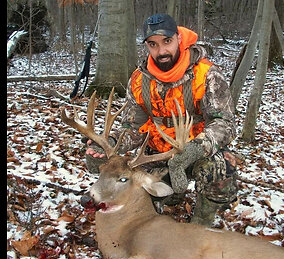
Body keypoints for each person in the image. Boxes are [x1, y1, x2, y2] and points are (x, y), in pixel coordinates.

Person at [85, 13, 237, 226]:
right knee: (135, 192)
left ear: (179, 39)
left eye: (167, 42)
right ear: (147, 46)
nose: (161, 51)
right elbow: (133, 127)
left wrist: (195, 148)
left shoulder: (206, 75)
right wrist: (111, 142)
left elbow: (225, 124)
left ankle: (203, 219)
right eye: (153, 44)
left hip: (195, 150)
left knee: (218, 170)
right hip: (153, 155)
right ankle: (166, 198)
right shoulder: (139, 80)